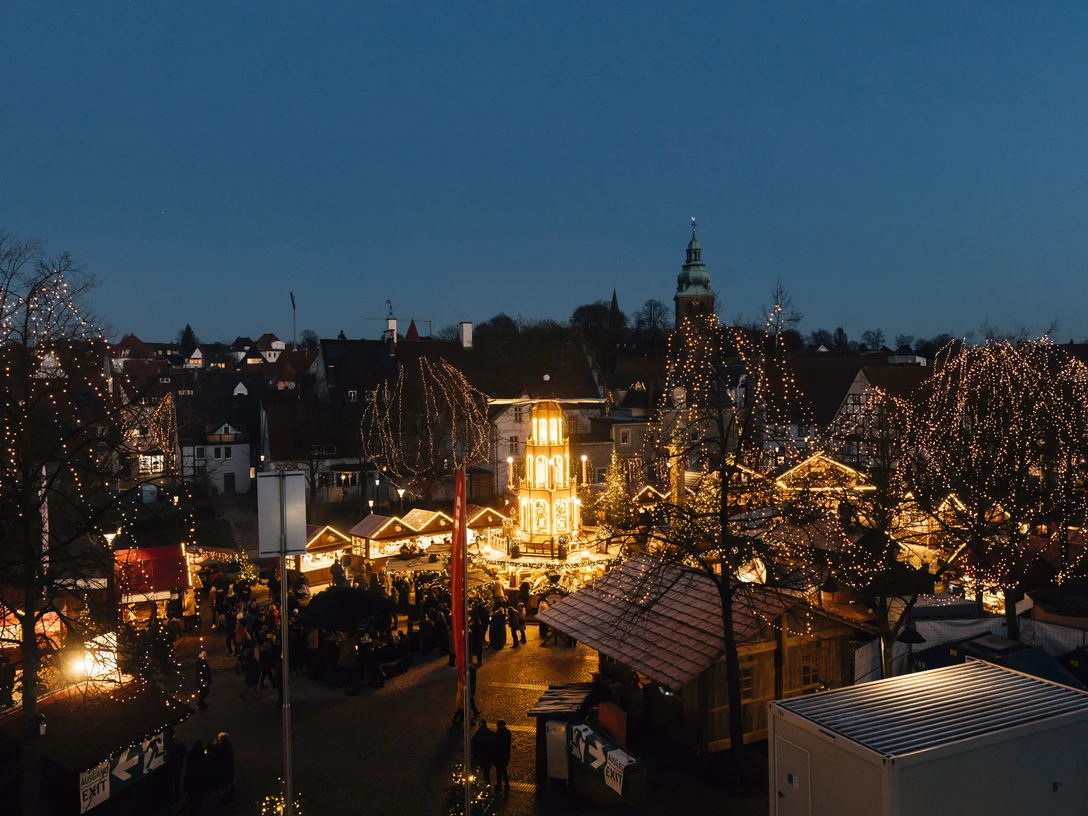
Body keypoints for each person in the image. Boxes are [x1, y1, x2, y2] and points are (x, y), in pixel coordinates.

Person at [207, 731, 235, 803]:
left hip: (223, 769)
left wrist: (215, 746)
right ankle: (229, 797)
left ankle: (226, 798)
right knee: (228, 783)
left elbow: (216, 755)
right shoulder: (228, 745)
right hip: (228, 768)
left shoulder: (221, 746)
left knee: (224, 784)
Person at [471, 718, 496, 788]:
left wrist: (472, 753)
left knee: (477, 771)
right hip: (488, 756)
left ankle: (478, 785)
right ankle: (487, 785)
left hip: (479, 756)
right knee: (486, 772)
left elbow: (473, 744)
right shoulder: (490, 734)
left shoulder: (478, 734)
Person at [183, 740, 206, 811]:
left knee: (191, 790)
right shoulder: (202, 754)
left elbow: (187, 762)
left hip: (191, 774)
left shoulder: (191, 753)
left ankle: (191, 802)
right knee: (199, 790)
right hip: (199, 775)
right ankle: (199, 804)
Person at [494, 720, 512, 793]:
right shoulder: (506, 732)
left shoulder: (502, 733)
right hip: (503, 755)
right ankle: (504, 784)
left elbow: (501, 744)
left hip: (501, 754)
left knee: (501, 770)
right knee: (501, 770)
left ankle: (502, 784)